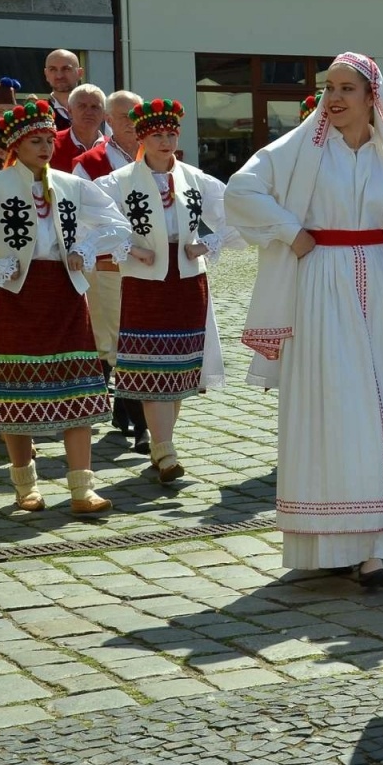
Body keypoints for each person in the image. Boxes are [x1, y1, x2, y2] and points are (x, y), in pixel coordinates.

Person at [227, 53, 383, 586]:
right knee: (335, 408)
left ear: (371, 97)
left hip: (381, 284)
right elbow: (241, 190)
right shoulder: (301, 146)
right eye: (328, 88)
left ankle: (375, 540)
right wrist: (289, 230)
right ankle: (338, 539)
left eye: (346, 89)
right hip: (322, 287)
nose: (334, 98)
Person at [0, 100, 130, 515]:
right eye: (35, 141)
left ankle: (82, 489)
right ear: (16, 145)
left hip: (65, 293)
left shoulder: (71, 186)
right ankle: (25, 485)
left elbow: (117, 223)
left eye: (48, 140)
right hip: (17, 294)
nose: (45, 147)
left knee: (78, 388)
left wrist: (85, 247)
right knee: (15, 391)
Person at [100, 100, 229, 484]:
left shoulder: (195, 178)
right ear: (142, 138)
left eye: (171, 134)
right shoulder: (120, 181)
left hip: (187, 282)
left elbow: (237, 213)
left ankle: (162, 446)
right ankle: (165, 449)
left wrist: (207, 243)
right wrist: (130, 248)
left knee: (179, 368)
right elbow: (95, 222)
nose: (165, 141)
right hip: (145, 283)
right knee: (151, 366)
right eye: (157, 134)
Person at [74, 89, 147, 450]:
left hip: (151, 266)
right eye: (124, 116)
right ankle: (140, 424)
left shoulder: (158, 156)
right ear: (108, 120)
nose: (133, 122)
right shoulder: (89, 163)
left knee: (141, 339)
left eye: (137, 114)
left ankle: (125, 413)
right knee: (116, 341)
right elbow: (80, 217)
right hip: (109, 265)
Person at [53, 85, 106, 176]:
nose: (89, 112)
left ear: (104, 114)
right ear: (70, 110)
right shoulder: (52, 144)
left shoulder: (112, 148)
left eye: (94, 107)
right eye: (82, 106)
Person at [45, 50, 84, 129]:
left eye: (66, 69)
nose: (59, 76)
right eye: (53, 69)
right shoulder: (38, 113)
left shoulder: (97, 110)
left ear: (80, 73)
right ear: (46, 74)